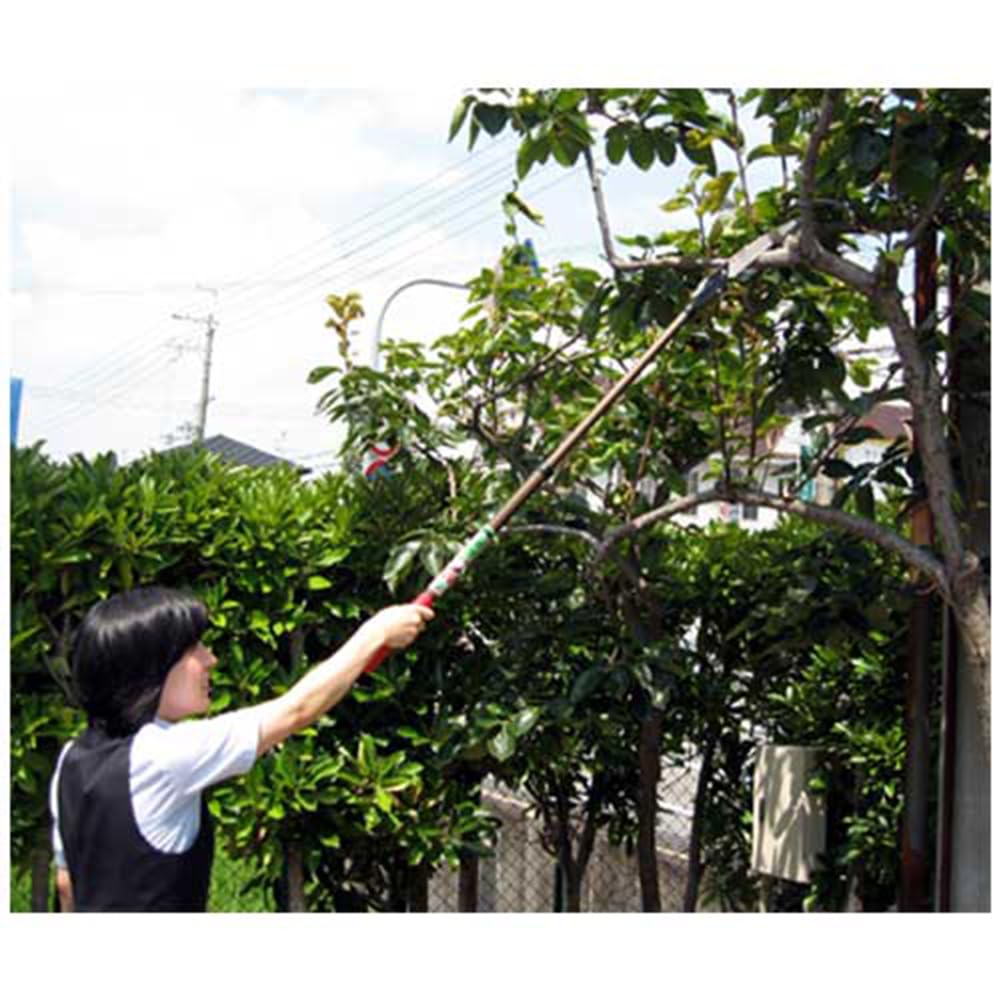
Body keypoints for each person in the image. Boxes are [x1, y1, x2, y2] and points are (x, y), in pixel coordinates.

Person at [48, 585, 433, 912]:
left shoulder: (71, 758)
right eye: (194, 649)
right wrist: (376, 633)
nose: (210, 659)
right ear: (150, 668)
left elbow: (67, 886)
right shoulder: (165, 756)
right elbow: (297, 710)